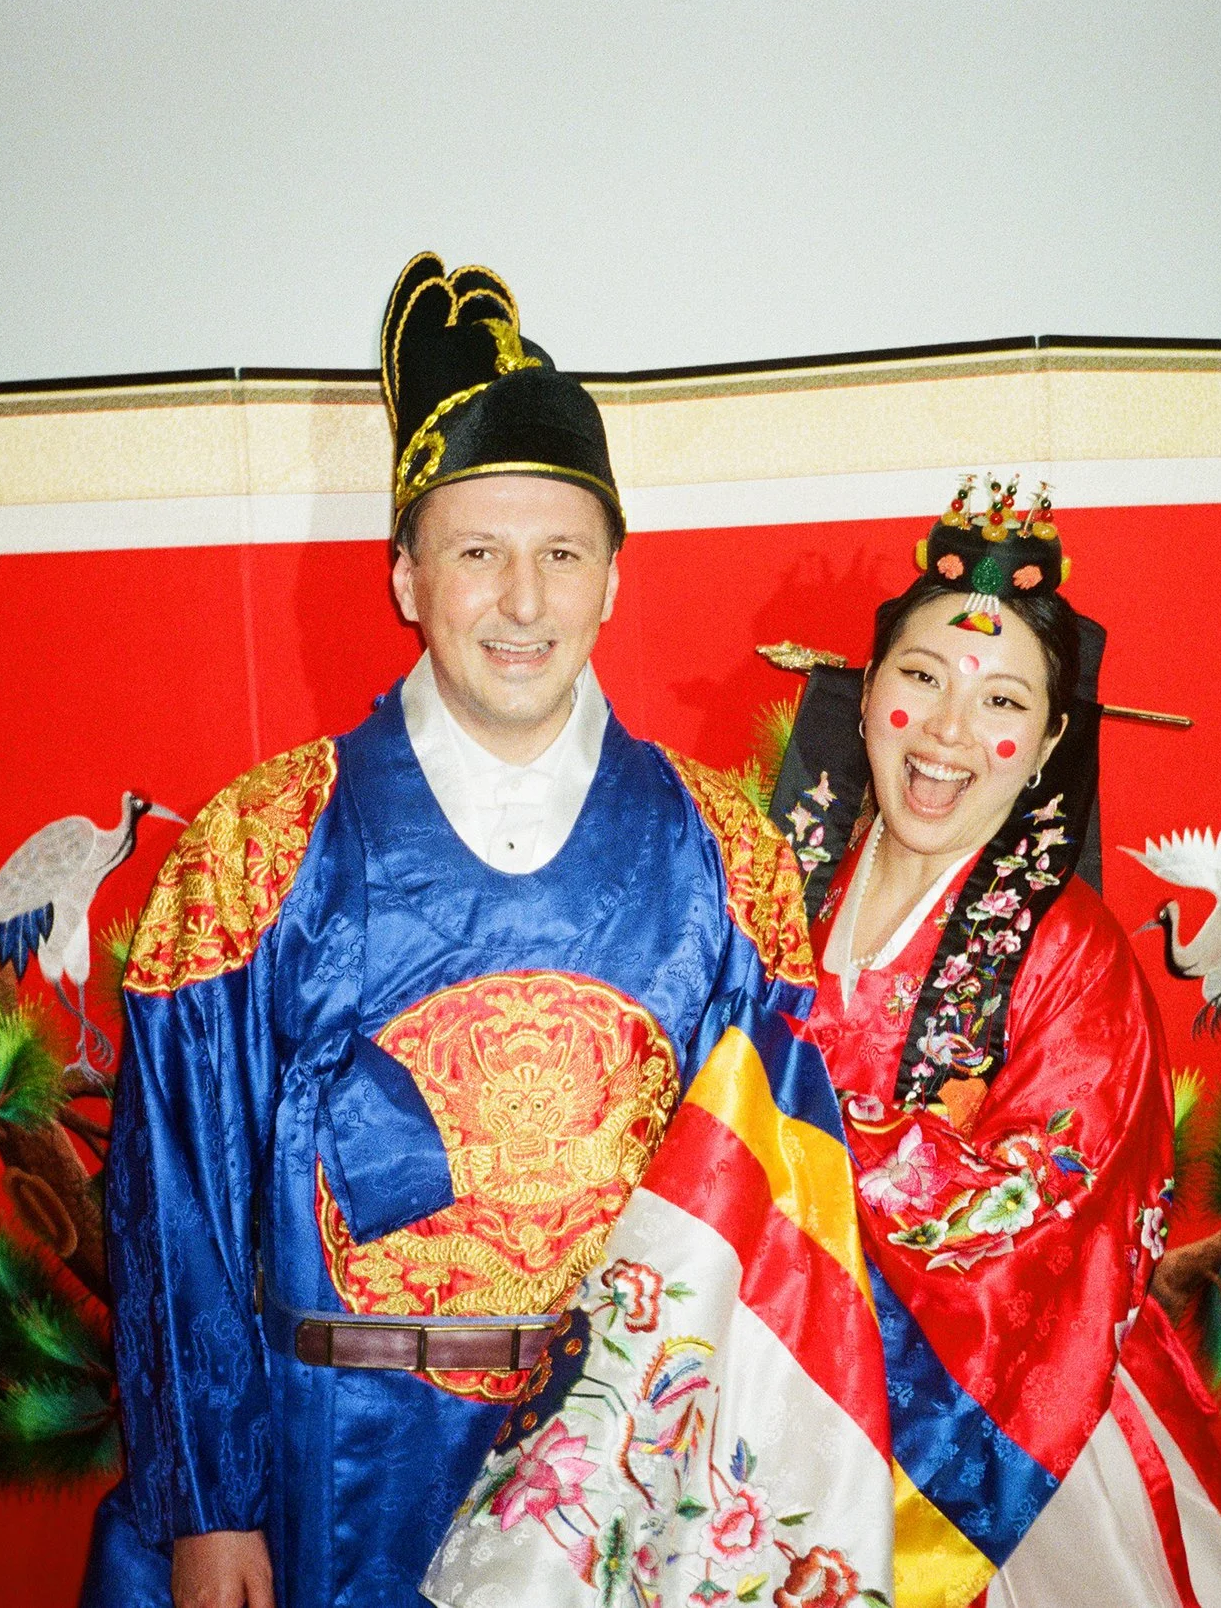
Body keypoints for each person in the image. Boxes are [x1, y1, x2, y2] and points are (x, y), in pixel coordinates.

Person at [79, 254, 815, 1608]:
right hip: (333, 1475)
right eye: (477, 553)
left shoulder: (730, 862)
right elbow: (176, 1206)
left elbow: (781, 1218)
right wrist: (208, 1505)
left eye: (560, 555)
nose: (521, 603)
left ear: (613, 579)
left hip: (629, 1471)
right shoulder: (255, 852)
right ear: (409, 577)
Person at [799, 478, 1221, 1608]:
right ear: (866, 691)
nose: (954, 732)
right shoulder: (780, 886)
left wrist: (781, 1151)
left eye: (1003, 699)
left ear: (1052, 737)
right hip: (790, 1362)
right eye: (922, 677)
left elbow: (1031, 1203)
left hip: (1020, 1400)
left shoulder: (1076, 952)